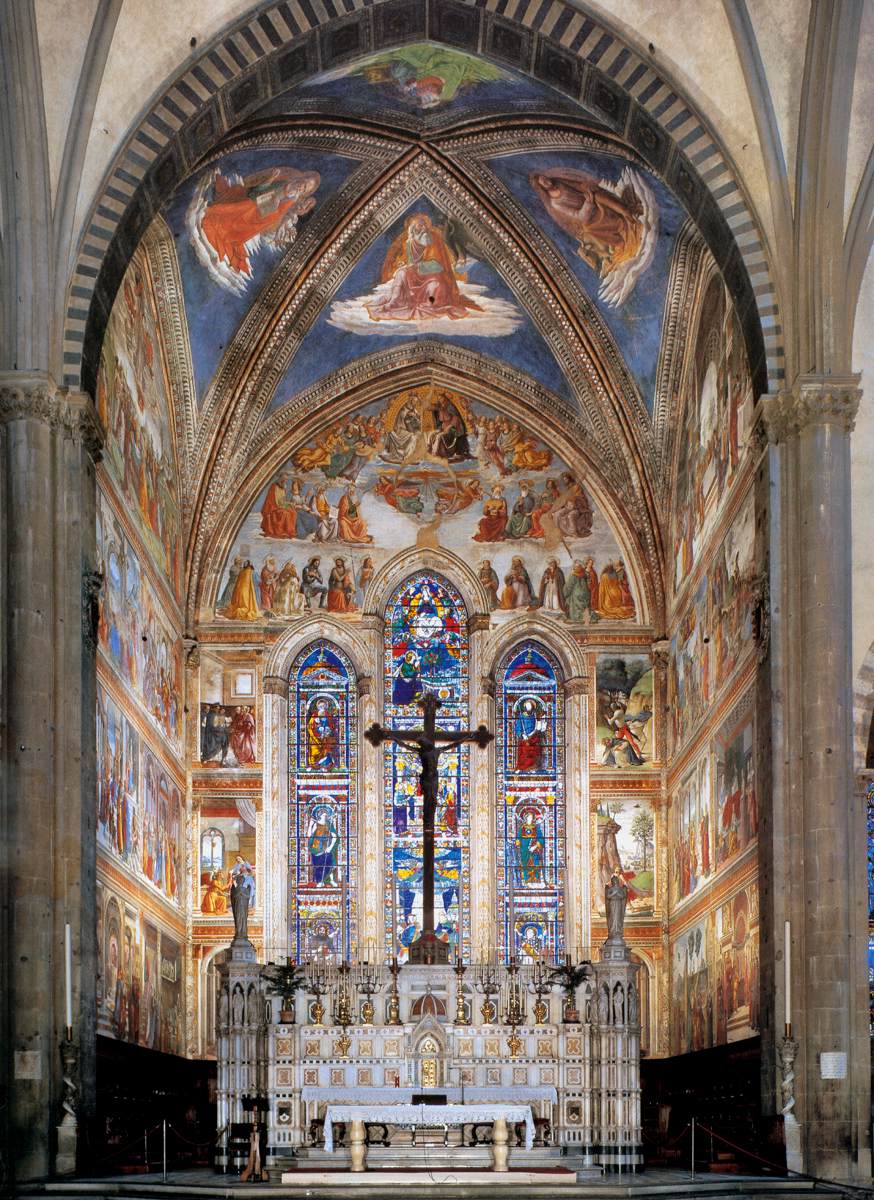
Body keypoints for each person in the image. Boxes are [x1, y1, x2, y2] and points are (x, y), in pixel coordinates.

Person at [365, 213, 482, 322]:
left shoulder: (434, 239)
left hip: (435, 275)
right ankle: (394, 303)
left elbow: (439, 265)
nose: (423, 228)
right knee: (401, 273)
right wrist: (405, 266)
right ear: (412, 229)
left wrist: (418, 266)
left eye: (424, 225)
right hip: (418, 273)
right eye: (419, 226)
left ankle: (430, 304)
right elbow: (411, 262)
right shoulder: (409, 243)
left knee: (435, 286)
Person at [308, 807, 339, 886]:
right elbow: (309, 835)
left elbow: (335, 836)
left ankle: (330, 880)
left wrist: (330, 847)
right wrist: (310, 825)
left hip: (326, 847)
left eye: (326, 816)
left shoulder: (329, 824)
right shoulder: (316, 824)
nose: (325, 817)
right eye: (323, 815)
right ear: (320, 815)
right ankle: (319, 881)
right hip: (316, 848)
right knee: (319, 866)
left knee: (329, 864)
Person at [307, 699, 338, 769]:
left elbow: (332, 725)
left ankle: (326, 765)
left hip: (325, 736)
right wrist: (316, 726)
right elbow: (309, 725)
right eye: (320, 705)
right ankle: (314, 765)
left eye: (323, 705)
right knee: (315, 750)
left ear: (326, 706)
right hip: (315, 736)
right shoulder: (314, 715)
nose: (322, 707)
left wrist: (328, 729)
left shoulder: (328, 714)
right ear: (318, 706)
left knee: (325, 750)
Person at [514, 699, 544, 772]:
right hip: (524, 737)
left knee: (534, 751)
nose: (529, 709)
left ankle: (533, 767)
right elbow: (518, 727)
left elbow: (537, 725)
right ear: (525, 708)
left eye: (530, 707)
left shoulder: (534, 715)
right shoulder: (521, 716)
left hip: (533, 736)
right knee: (524, 752)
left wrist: (536, 730)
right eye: (527, 707)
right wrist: (522, 734)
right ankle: (521, 767)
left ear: (532, 708)